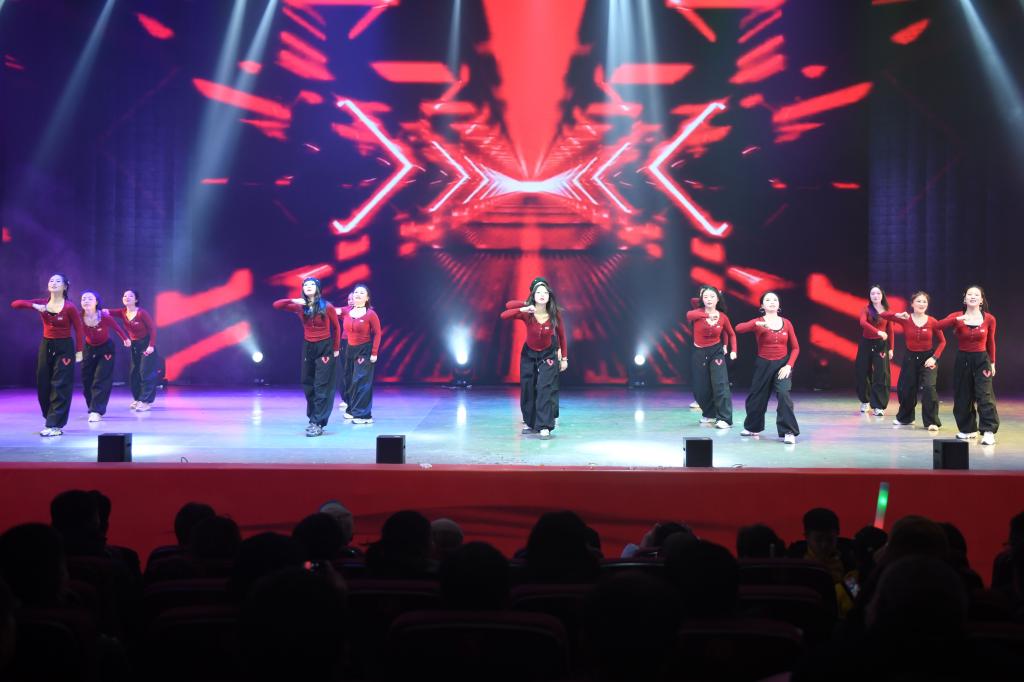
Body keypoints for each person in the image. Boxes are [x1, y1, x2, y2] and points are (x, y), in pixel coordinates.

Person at [10, 273, 84, 436]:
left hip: (64, 347)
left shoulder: (69, 307)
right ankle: (50, 417)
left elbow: (79, 330)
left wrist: (79, 351)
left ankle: (54, 425)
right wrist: (34, 306)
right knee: (43, 382)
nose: (54, 283)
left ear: (65, 286)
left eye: (58, 281)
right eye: (51, 280)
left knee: (60, 384)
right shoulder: (42, 302)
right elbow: (15, 304)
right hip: (46, 345)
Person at [273, 277, 341, 436]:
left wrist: (336, 348)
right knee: (307, 383)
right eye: (305, 285)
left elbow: (337, 328)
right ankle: (313, 418)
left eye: (312, 284)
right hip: (308, 346)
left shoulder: (327, 306)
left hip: (324, 346)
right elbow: (277, 305)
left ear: (318, 288)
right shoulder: (299, 307)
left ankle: (318, 422)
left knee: (321, 385)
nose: (308, 286)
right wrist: (293, 300)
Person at [501, 280, 567, 440]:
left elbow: (562, 336)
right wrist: (524, 306)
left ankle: (544, 426)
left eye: (545, 292)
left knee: (544, 387)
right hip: (529, 354)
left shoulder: (554, 314)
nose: (542, 295)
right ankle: (530, 422)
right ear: (533, 295)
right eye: (538, 292)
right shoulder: (527, 313)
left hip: (548, 354)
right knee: (528, 387)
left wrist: (564, 358)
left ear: (549, 296)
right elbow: (505, 313)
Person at [735, 291, 800, 444]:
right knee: (757, 397)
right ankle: (753, 427)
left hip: (782, 365)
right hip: (763, 364)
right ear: (762, 305)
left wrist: (789, 366)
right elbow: (738, 328)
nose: (772, 302)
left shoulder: (787, 323)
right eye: (768, 300)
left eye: (775, 300)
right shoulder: (758, 321)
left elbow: (796, 348)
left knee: (783, 395)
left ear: (779, 304)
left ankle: (788, 431)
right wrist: (755, 324)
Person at [937, 285, 998, 445]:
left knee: (984, 395)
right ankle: (968, 429)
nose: (972, 296)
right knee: (962, 395)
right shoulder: (957, 316)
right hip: (962, 359)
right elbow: (937, 326)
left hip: (982, 360)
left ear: (981, 300)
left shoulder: (989, 318)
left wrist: (992, 362)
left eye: (976, 295)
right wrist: (955, 320)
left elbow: (991, 342)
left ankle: (989, 431)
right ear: (964, 299)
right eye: (969, 294)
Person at [883, 291, 946, 430]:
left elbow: (942, 342)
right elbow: (882, 315)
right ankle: (906, 418)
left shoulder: (932, 321)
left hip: (928, 359)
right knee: (906, 389)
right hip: (910, 358)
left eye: (924, 302)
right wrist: (897, 315)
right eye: (918, 301)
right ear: (912, 304)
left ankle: (932, 422)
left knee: (929, 388)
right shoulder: (906, 319)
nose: (921, 304)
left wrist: (934, 358)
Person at [686, 285, 737, 428]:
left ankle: (725, 419)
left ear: (718, 299)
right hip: (699, 353)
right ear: (702, 299)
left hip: (716, 352)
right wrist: (707, 315)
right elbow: (689, 315)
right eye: (706, 297)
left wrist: (733, 350)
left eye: (712, 296)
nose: (709, 299)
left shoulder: (723, 317)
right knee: (700, 387)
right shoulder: (697, 313)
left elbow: (731, 334)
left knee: (720, 384)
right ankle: (709, 414)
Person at [105, 289, 159, 411]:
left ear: (136, 299)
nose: (127, 298)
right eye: (125, 296)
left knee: (146, 372)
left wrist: (151, 345)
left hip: (146, 344)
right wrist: (94, 309)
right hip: (134, 345)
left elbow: (152, 329)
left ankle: (146, 401)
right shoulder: (122, 312)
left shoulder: (141, 313)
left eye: (130, 296)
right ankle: (138, 399)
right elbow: (107, 312)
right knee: (134, 373)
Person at [79, 291, 128, 422]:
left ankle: (96, 410)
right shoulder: (78, 317)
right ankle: (92, 407)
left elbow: (117, 328)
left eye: (90, 299)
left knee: (101, 379)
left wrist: (125, 339)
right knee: (87, 380)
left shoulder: (104, 316)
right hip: (89, 349)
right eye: (84, 299)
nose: (86, 301)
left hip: (106, 349)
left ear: (96, 302)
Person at [343, 284, 381, 424]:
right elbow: (330, 311)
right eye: (356, 292)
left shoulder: (370, 314)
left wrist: (374, 352)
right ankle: (352, 409)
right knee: (350, 380)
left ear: (367, 298)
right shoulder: (347, 312)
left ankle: (364, 415)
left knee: (361, 381)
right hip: (350, 349)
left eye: (361, 293)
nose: (358, 294)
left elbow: (377, 333)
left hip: (364, 350)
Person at [855, 285, 894, 416]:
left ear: (882, 295)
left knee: (882, 374)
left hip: (881, 345)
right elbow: (863, 323)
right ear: (870, 296)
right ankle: (865, 400)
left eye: (878, 293)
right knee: (862, 372)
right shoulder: (866, 309)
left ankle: (878, 406)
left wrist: (891, 348)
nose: (875, 296)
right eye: (872, 294)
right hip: (866, 344)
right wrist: (878, 332)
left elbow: (890, 330)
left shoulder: (887, 311)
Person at [335, 291, 354, 413]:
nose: (351, 301)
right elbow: (332, 311)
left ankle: (355, 398)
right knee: (344, 372)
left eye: (353, 298)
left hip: (359, 344)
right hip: (345, 343)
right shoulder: (345, 310)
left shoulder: (367, 312)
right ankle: (346, 399)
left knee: (355, 372)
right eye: (349, 299)